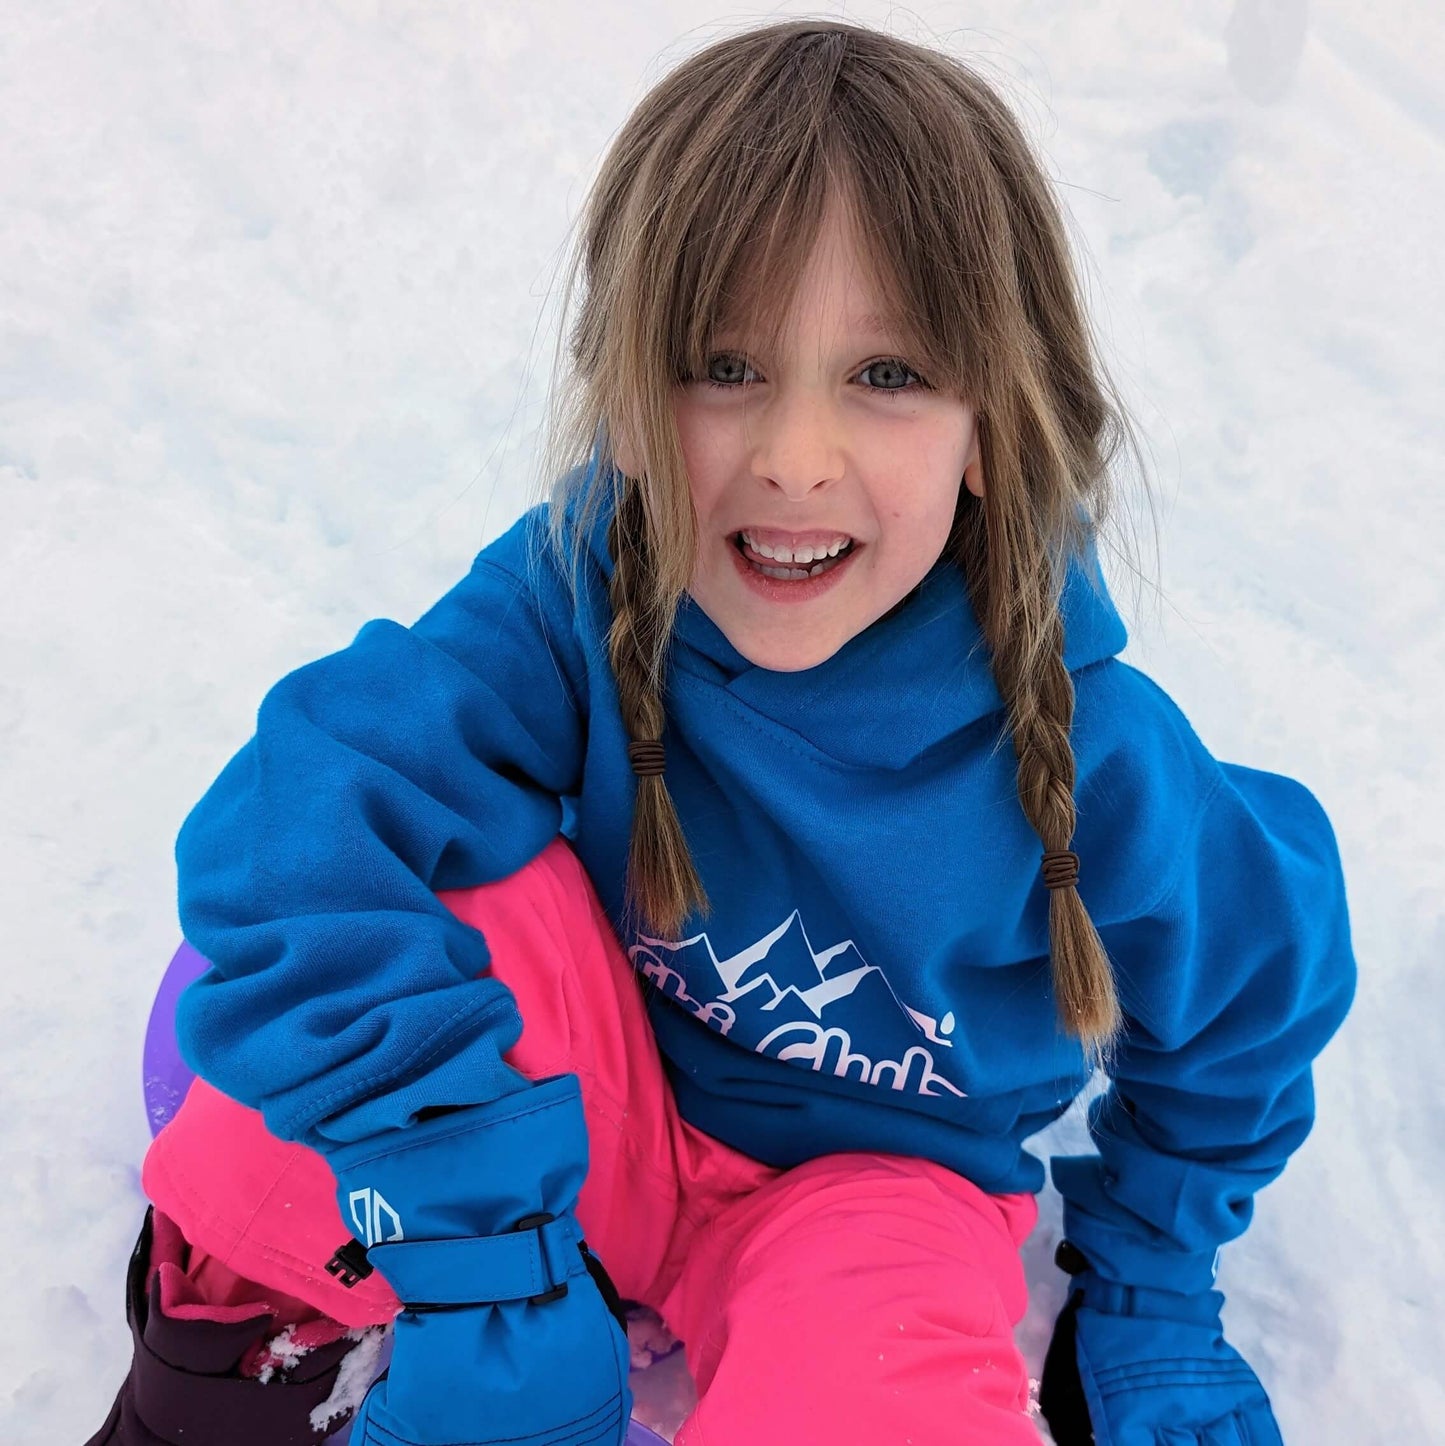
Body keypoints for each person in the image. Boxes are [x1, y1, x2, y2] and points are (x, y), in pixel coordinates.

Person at [88, 18, 1356, 1446]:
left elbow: (1258, 985)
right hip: (595, 1101)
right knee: (342, 1000)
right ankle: (236, 1381)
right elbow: (304, 807)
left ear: (990, 424)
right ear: (624, 400)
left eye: (885, 375)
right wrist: (483, 1268)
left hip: (875, 1196)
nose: (794, 456)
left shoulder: (1097, 753)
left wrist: (1149, 1283)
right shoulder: (584, 581)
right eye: (722, 365)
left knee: (879, 1407)